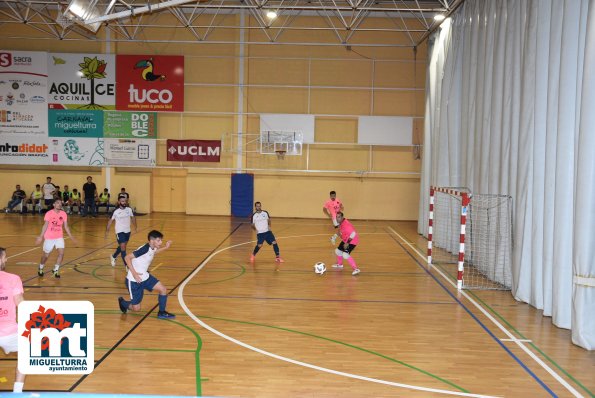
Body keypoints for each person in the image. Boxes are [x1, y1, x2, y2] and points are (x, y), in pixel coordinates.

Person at [117, 230, 176, 320]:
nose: (161, 242)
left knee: (163, 289)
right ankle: (123, 303)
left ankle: (162, 312)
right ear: (152, 241)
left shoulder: (152, 247)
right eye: (158, 240)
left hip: (145, 276)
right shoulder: (144, 248)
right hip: (134, 280)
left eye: (161, 240)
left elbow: (154, 252)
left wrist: (165, 248)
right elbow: (127, 257)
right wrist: (135, 274)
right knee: (136, 309)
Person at [0, 247, 26, 393]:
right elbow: (20, 304)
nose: (6, 259)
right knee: (27, 352)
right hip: (9, 332)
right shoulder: (13, 278)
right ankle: (17, 392)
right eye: (5, 257)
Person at [35, 198, 77, 278]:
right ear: (54, 204)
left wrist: (71, 236)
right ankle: (41, 267)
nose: (60, 204)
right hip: (49, 237)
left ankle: (56, 270)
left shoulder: (64, 214)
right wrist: (41, 236)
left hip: (59, 237)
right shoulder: (49, 213)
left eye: (60, 203)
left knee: (61, 253)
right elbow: (45, 225)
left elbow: (66, 226)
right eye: (57, 203)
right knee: (46, 256)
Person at [105, 196, 137, 267]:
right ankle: (127, 265)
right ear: (119, 202)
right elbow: (110, 221)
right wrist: (107, 231)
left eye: (125, 201)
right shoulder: (115, 211)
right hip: (119, 231)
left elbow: (133, 217)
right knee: (123, 246)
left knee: (123, 246)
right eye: (122, 201)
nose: (124, 202)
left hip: (127, 231)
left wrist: (135, 226)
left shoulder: (129, 209)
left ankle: (114, 256)